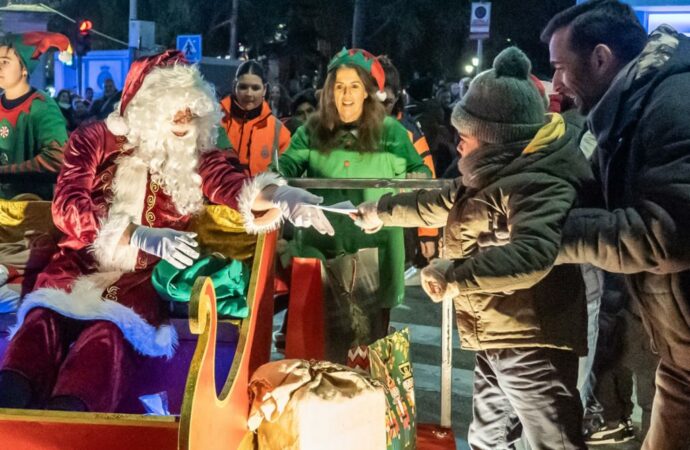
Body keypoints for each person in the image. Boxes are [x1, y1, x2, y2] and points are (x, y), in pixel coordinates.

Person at [0, 50, 333, 413]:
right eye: (173, 106)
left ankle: (71, 424)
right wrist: (132, 233)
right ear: (147, 106)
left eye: (191, 109)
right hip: (76, 263)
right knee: (39, 327)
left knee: (109, 338)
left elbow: (232, 184)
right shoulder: (96, 139)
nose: (183, 118)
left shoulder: (196, 156)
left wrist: (281, 195)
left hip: (140, 279)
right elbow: (66, 206)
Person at [353, 47, 592, 449]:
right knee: (487, 438)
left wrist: (454, 277)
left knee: (552, 440)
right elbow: (440, 201)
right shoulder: (491, 174)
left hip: (532, 340)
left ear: (495, 137)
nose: (458, 147)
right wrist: (381, 211)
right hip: (496, 333)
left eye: (464, 137)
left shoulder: (539, 181)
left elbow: (532, 254)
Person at [541, 2, 690, 448]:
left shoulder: (672, 103)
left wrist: (548, 237)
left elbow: (666, 232)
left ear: (601, 58)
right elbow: (594, 192)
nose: (556, 84)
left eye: (560, 67)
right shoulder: (632, 104)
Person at [277, 48, 431, 356]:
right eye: (339, 86)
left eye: (354, 87)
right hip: (320, 252)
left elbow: (422, 175)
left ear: (369, 93)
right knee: (315, 353)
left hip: (375, 257)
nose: (346, 95)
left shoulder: (393, 133)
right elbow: (282, 169)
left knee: (365, 352)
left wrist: (398, 195)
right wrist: (283, 189)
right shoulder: (311, 130)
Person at [378, 55, 438, 265]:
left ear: (396, 95)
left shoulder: (409, 132)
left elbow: (426, 182)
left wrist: (428, 233)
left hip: (401, 223)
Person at [0, 32, 70, 200]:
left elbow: (56, 158)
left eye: (5, 62)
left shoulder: (42, 106)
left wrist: (6, 172)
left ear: (24, 69)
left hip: (30, 208)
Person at [220, 60, 291, 175]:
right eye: (243, 87)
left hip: (262, 192)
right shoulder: (215, 121)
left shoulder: (278, 131)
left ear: (265, 90)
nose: (249, 93)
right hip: (219, 191)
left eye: (255, 88)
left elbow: (288, 173)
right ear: (234, 87)